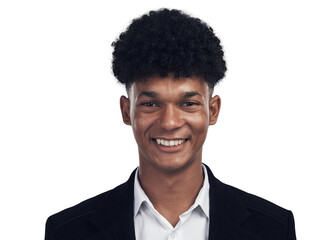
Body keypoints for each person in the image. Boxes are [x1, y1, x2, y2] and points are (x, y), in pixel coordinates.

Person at [44, 8, 296, 240]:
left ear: (213, 110)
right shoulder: (66, 231)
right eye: (151, 105)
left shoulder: (273, 229)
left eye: (188, 104)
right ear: (126, 111)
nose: (169, 122)